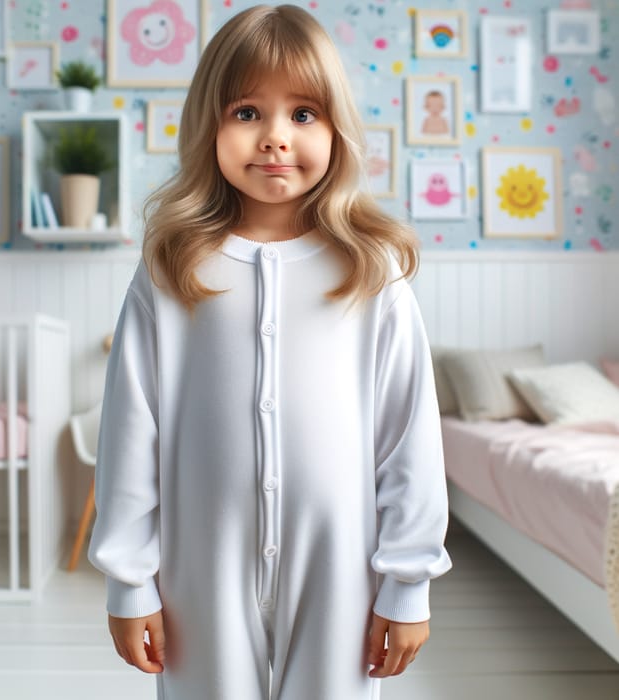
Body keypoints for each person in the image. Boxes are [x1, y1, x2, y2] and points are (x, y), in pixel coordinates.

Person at [88, 5, 452, 699]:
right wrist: (129, 581)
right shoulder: (173, 268)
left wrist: (407, 585)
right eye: (248, 112)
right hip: (201, 567)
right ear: (209, 125)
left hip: (341, 567)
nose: (275, 139)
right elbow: (132, 429)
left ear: (337, 127)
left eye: (304, 115)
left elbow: (408, 436)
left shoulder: (371, 272)